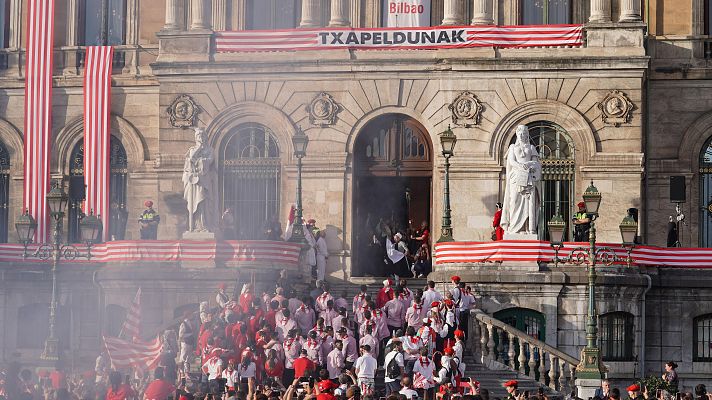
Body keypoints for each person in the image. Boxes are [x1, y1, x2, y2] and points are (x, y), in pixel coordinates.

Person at [501, 125, 542, 235]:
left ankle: (527, 228)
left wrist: (528, 165)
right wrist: (521, 166)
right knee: (514, 201)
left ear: (527, 135)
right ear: (517, 135)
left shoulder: (531, 148)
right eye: (520, 133)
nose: (522, 135)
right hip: (516, 177)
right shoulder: (512, 147)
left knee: (528, 204)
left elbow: (535, 163)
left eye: (524, 133)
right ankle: (514, 228)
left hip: (528, 177)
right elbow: (511, 161)